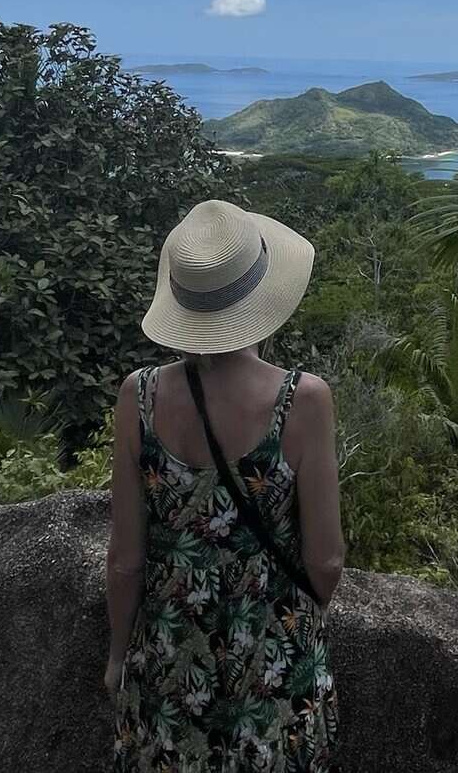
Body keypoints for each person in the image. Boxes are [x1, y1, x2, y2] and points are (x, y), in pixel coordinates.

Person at [105, 199, 344, 772]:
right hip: (273, 667)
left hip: (167, 669)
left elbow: (125, 561)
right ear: (261, 296)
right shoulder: (303, 400)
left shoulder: (137, 397)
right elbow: (327, 560)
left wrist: (117, 657)